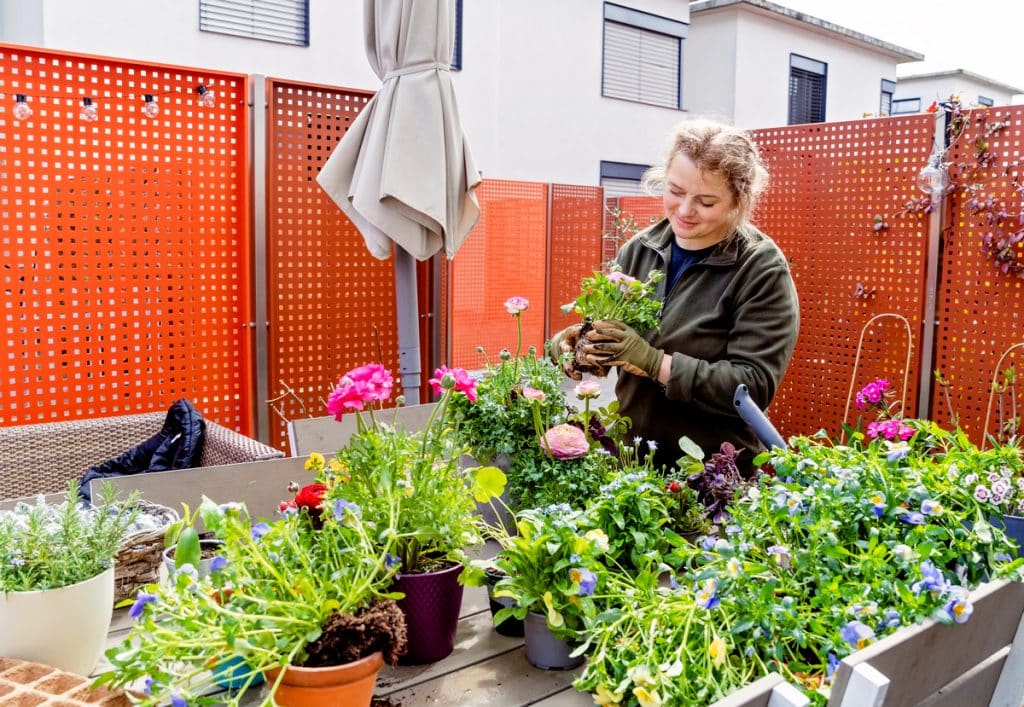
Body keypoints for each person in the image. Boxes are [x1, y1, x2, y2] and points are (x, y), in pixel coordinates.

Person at [549, 119, 799, 475]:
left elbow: (752, 386)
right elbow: (613, 338)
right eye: (675, 191)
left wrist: (655, 363)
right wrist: (579, 346)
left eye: (706, 201)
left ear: (738, 201)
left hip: (712, 474)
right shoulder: (640, 250)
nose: (684, 210)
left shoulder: (759, 268)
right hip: (633, 463)